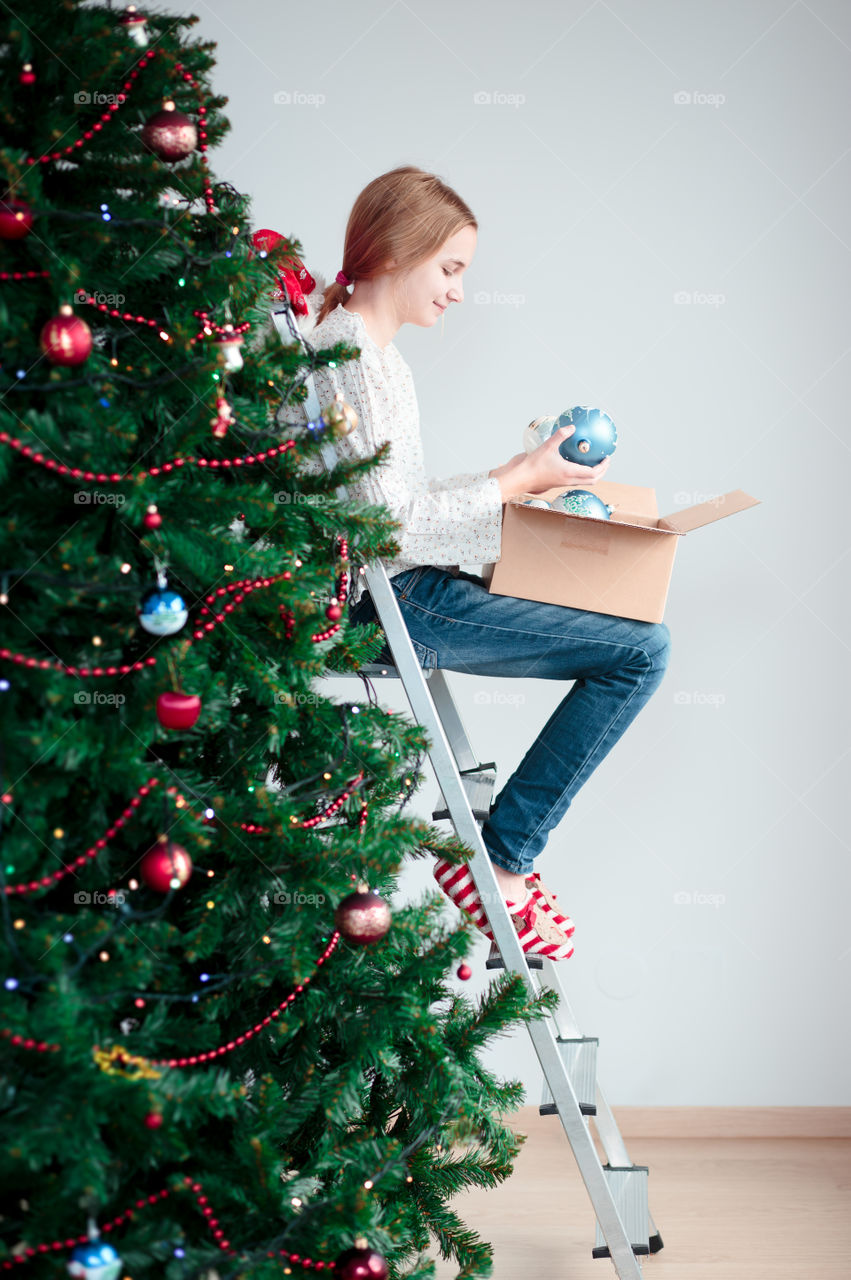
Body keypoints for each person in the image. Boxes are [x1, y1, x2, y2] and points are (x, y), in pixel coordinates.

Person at [302, 165, 671, 960]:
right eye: (451, 269)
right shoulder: (351, 359)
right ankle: (502, 862)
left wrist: (515, 493)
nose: (459, 293)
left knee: (633, 635)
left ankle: (503, 857)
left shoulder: (374, 355)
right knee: (641, 651)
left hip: (398, 585)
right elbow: (387, 527)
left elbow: (391, 504)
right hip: (382, 602)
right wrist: (513, 483)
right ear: (399, 252)